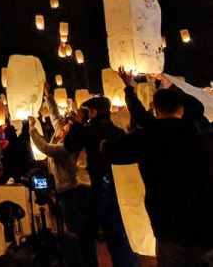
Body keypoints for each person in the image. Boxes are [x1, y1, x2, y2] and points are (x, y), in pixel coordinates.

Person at [103, 73, 213, 266]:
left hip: (167, 225)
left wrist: (103, 144)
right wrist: (172, 86)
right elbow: (197, 108)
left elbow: (114, 150)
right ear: (182, 108)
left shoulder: (149, 136)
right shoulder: (199, 133)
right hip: (203, 223)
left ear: (155, 109)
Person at [64, 95, 139, 266]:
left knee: (87, 236)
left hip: (94, 189)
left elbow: (69, 145)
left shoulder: (88, 130)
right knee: (117, 237)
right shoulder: (118, 132)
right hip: (117, 189)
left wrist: (77, 122)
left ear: (93, 112)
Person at [28, 86, 93, 261]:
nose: (63, 128)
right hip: (60, 187)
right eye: (64, 126)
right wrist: (48, 96)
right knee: (65, 223)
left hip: (68, 189)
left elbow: (46, 148)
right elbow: (55, 116)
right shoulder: (60, 132)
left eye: (67, 128)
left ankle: (81, 257)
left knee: (74, 226)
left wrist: (32, 130)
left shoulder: (67, 147)